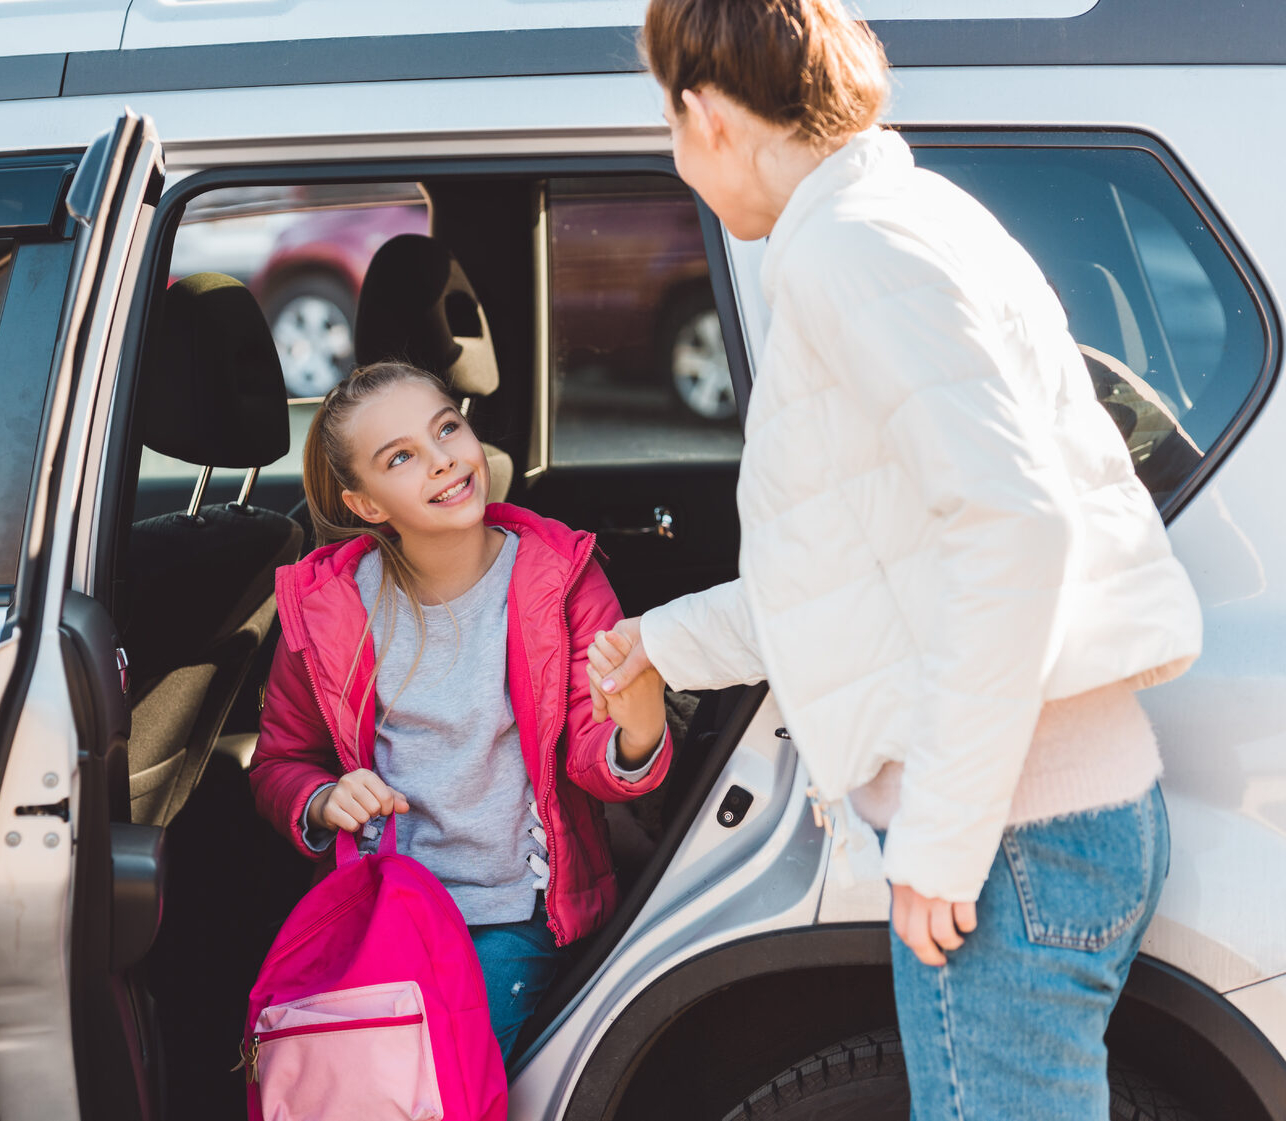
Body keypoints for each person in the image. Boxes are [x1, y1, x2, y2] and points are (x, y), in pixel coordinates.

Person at [588, 1, 1203, 1116]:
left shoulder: (851, 250)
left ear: (707, 113)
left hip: (1014, 836)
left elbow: (1014, 526)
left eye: (665, 123)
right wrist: (659, 644)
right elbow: (857, 567)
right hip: (1042, 820)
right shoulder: (901, 218)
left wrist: (940, 841)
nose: (674, 156)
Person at [249, 361, 672, 1060]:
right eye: (402, 457)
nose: (443, 459)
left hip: (512, 912)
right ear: (366, 504)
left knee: (439, 1081)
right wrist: (325, 798)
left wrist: (641, 726)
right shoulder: (329, 608)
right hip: (385, 913)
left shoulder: (558, 576)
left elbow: (596, 761)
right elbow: (279, 762)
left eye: (448, 427)